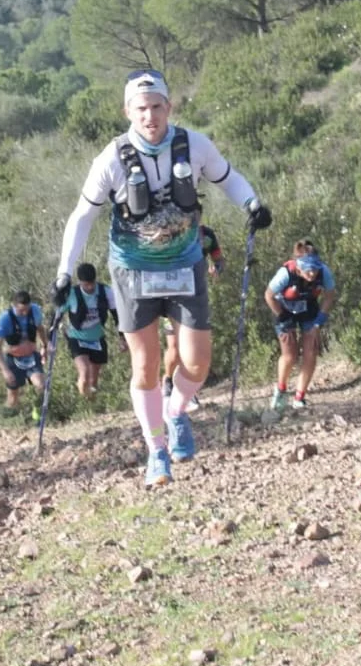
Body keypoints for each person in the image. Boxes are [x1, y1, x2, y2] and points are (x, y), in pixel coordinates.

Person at [54, 70, 270, 487]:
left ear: (169, 107)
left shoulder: (195, 145)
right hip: (133, 270)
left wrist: (252, 204)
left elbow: (228, 178)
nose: (150, 116)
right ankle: (156, 451)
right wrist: (64, 273)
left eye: (156, 107)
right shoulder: (111, 159)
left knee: (198, 361)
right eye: (141, 109)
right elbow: (83, 216)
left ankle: (176, 411)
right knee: (146, 364)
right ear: (127, 112)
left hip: (185, 263)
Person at [265, 242, 337, 410]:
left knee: (311, 351)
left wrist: (318, 323)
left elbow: (329, 296)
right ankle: (281, 390)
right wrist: (283, 318)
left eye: (315, 269)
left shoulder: (324, 272)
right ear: (298, 266)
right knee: (290, 354)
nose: (312, 273)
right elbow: (268, 295)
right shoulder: (285, 274)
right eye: (308, 269)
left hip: (308, 308)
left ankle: (300, 396)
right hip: (284, 309)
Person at [163, 223, 225, 408]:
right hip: (171, 295)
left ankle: (186, 392)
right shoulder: (175, 232)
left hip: (195, 297)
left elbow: (219, 259)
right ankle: (167, 381)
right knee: (174, 348)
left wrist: (217, 268)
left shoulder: (207, 235)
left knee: (190, 348)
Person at [60, 262, 119, 399]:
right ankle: (83, 400)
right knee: (84, 373)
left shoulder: (106, 291)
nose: (90, 287)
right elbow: (57, 315)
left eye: (92, 283)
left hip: (97, 338)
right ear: (80, 282)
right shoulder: (71, 294)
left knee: (93, 380)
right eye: (86, 284)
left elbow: (116, 314)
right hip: (77, 338)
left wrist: (122, 337)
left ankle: (90, 403)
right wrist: (51, 339)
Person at [0, 291, 47, 417]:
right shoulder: (5, 319)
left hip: (32, 357)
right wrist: (5, 370)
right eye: (21, 310)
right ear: (14, 305)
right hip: (13, 360)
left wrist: (45, 345)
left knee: (41, 385)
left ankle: (39, 414)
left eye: (27, 309)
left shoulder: (35, 311)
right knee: (13, 398)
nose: (25, 313)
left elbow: (40, 329)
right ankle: (7, 419)